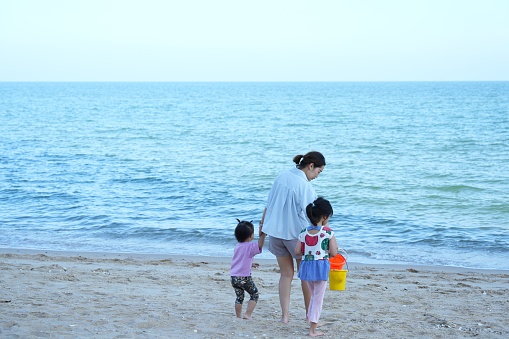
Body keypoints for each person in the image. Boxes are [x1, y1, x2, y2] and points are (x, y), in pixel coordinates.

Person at [259, 151, 326, 324]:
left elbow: (268, 205)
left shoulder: (281, 176)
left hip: (275, 233)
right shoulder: (305, 186)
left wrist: (262, 229)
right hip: (295, 235)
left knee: (286, 275)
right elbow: (312, 215)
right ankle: (309, 316)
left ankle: (285, 317)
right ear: (311, 166)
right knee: (305, 276)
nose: (317, 176)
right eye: (319, 172)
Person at [295, 197, 338, 337]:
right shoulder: (328, 232)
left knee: (313, 295)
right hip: (320, 267)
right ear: (325, 217)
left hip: (306, 266)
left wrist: (308, 251)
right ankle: (312, 329)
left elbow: (297, 252)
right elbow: (334, 252)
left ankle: (312, 320)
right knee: (318, 298)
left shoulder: (303, 232)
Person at [230, 219, 266, 320]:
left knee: (239, 298)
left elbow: (240, 260)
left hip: (234, 277)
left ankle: (238, 316)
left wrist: (251, 264)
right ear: (251, 235)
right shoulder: (250, 246)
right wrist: (263, 234)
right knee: (254, 294)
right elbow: (260, 244)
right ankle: (247, 314)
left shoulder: (237, 246)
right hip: (244, 277)